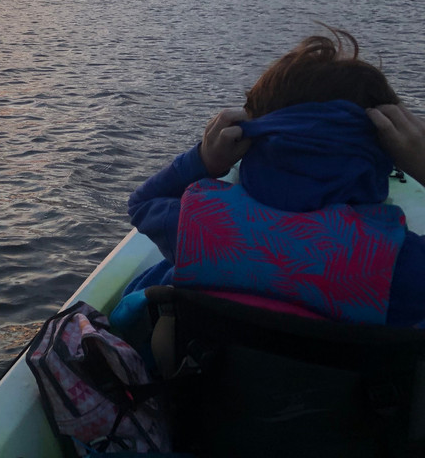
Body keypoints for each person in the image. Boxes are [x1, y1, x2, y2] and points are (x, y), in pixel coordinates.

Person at [123, 28, 425, 327]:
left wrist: (205, 160)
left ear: (253, 139)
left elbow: (142, 203)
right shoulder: (399, 263)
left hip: (202, 372)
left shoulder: (197, 224)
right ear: (385, 154)